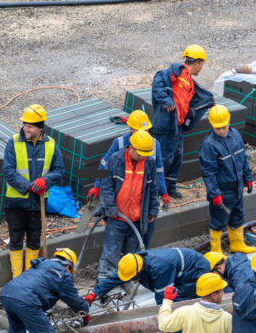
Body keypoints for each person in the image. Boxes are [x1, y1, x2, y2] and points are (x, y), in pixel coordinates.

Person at [0, 248, 89, 333]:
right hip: (26, 300)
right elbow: (73, 300)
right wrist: (85, 309)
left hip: (7, 293)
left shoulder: (40, 265)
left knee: (17, 328)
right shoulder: (63, 274)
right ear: (68, 266)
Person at [2, 105, 65, 279]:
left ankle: (30, 277)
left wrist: (46, 180)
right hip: (16, 201)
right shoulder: (14, 142)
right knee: (15, 239)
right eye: (25, 125)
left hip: (38, 202)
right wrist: (29, 186)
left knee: (34, 239)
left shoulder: (50, 144)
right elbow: (8, 171)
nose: (25, 129)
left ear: (40, 128)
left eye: (30, 126)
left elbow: (59, 169)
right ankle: (17, 277)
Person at [152, 45, 215, 198]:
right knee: (163, 158)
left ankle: (169, 187)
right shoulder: (178, 70)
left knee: (176, 157)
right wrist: (166, 100)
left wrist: (208, 101)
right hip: (167, 125)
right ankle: (155, 190)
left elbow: (192, 102)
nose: (201, 68)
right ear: (198, 62)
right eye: (202, 64)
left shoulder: (189, 80)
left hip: (177, 126)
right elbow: (158, 79)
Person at [96, 130, 160, 282]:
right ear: (131, 147)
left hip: (137, 219)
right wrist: (110, 207)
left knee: (132, 255)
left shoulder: (149, 163)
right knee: (111, 252)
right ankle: (105, 281)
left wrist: (153, 208)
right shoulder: (115, 159)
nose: (143, 157)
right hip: (116, 216)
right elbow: (106, 186)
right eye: (140, 154)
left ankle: (129, 281)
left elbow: (153, 188)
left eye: (146, 154)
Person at [199, 105, 256, 255]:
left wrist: (248, 177)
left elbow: (243, 158)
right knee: (219, 220)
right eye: (218, 128)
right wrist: (214, 193)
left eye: (224, 127)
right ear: (211, 124)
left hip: (236, 188)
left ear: (229, 121)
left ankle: (237, 244)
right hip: (223, 192)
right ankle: (216, 251)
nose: (222, 131)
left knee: (238, 216)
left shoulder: (235, 135)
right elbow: (209, 173)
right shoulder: (209, 145)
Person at [87, 110, 169, 210]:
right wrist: (97, 186)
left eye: (146, 130)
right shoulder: (120, 143)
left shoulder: (155, 144)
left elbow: (159, 170)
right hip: (121, 189)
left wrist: (163, 192)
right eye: (139, 130)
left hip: (141, 190)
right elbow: (104, 164)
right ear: (131, 128)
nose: (143, 134)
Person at [86, 248, 211, 306]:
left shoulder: (159, 269)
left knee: (175, 299)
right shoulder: (136, 262)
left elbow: (163, 300)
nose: (129, 280)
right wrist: (95, 293)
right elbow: (116, 278)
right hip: (180, 268)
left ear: (138, 273)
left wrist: (161, 323)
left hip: (196, 271)